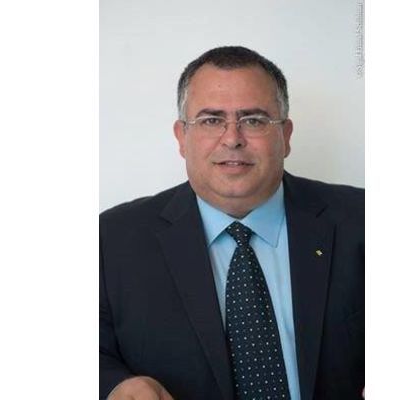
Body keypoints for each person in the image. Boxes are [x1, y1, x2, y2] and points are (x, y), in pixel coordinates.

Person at [100, 46, 364, 400]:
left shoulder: (364, 221)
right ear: (182, 137)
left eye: (253, 120)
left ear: (285, 136)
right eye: (211, 120)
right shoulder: (112, 240)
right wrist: (114, 385)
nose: (232, 138)